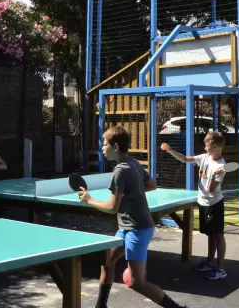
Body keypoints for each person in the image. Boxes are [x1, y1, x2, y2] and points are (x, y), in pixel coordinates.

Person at [79, 125, 187, 308]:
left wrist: (90, 200)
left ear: (115, 147)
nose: (102, 148)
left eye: (104, 144)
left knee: (137, 283)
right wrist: (133, 191)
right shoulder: (133, 163)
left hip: (138, 229)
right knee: (107, 261)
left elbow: (112, 208)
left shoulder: (120, 171)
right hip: (127, 227)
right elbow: (151, 184)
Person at [163, 131, 228, 280]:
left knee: (218, 235)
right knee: (211, 234)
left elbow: (211, 190)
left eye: (207, 146)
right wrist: (170, 150)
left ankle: (221, 269)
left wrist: (214, 176)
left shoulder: (220, 167)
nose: (205, 148)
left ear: (215, 147)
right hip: (203, 202)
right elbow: (185, 159)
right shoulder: (205, 157)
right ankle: (210, 262)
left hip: (214, 203)